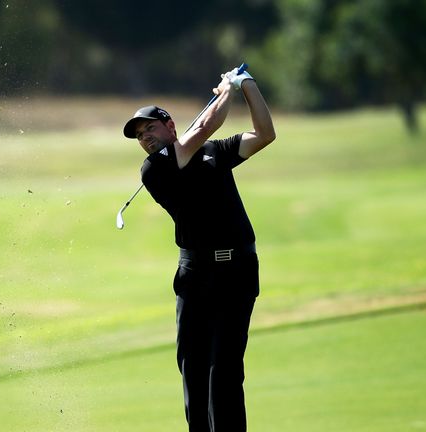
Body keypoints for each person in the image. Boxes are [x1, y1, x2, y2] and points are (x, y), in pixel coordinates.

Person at [122, 66, 275, 431]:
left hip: (237, 271)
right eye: (140, 136)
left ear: (170, 125)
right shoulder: (153, 170)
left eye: (150, 129)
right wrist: (228, 89)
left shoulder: (212, 153)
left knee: (224, 372)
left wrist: (247, 85)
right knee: (194, 369)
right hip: (196, 276)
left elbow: (265, 134)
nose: (146, 139)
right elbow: (205, 126)